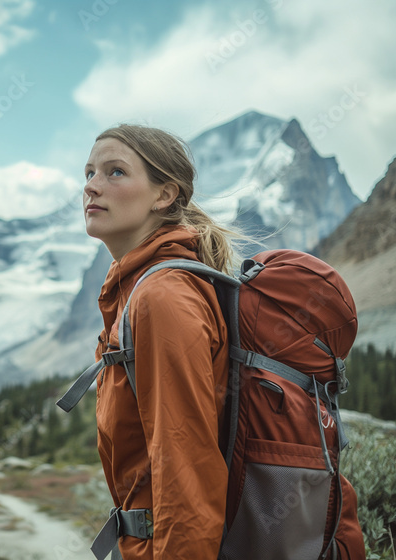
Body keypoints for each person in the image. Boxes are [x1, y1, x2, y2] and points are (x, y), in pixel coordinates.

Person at [83, 123, 239, 559]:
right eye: (89, 173)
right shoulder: (138, 288)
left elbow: (185, 474)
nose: (92, 187)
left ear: (164, 195)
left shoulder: (161, 297)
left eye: (115, 172)